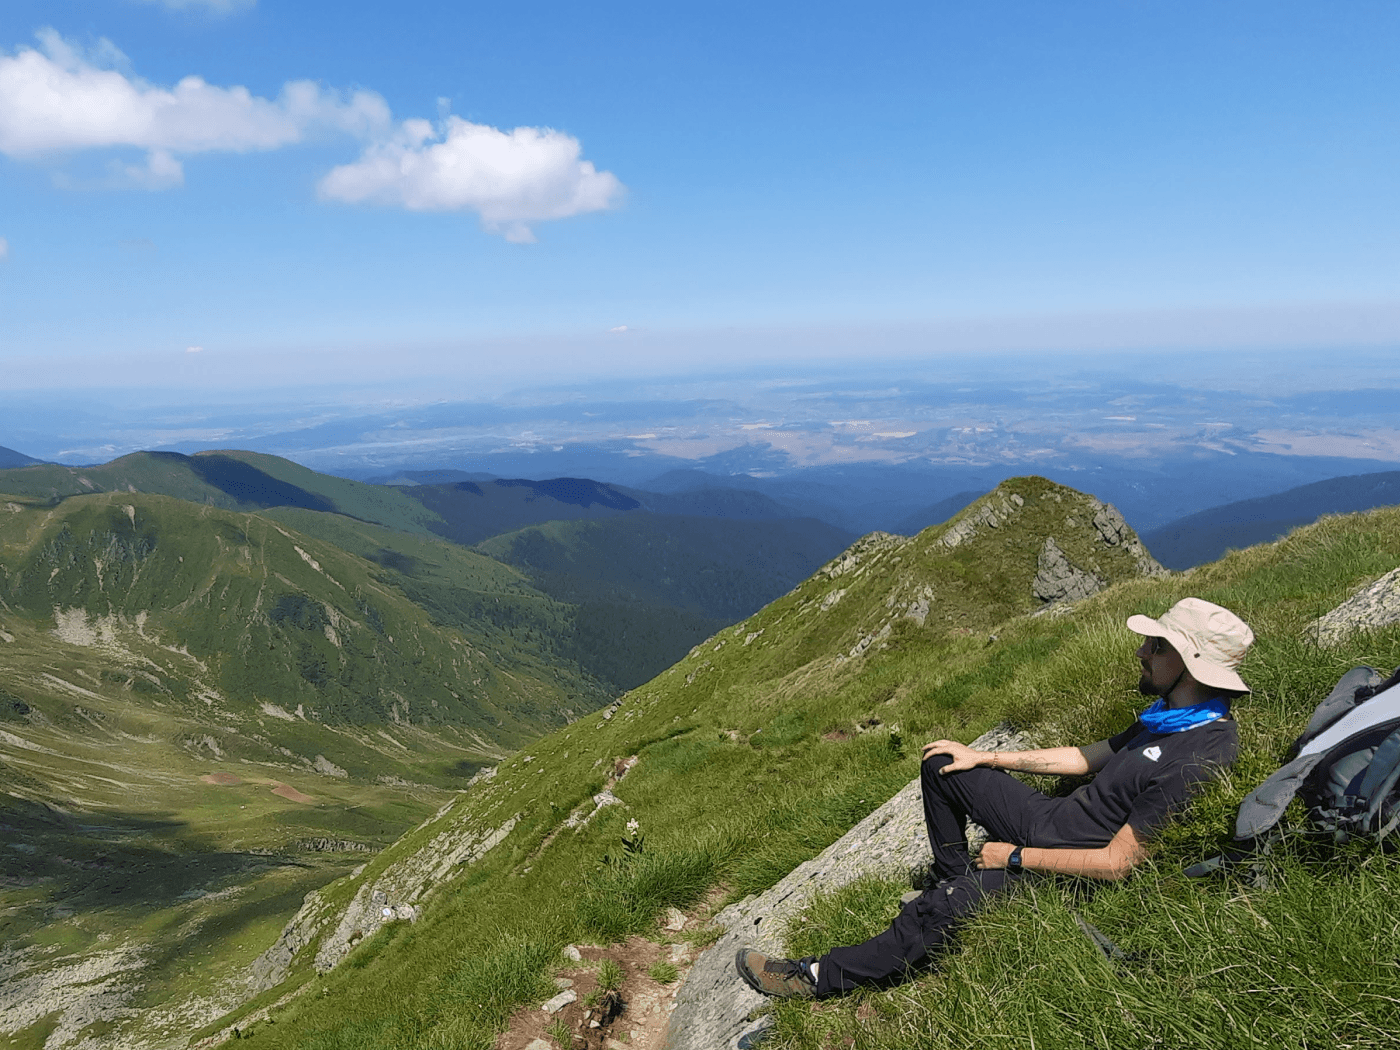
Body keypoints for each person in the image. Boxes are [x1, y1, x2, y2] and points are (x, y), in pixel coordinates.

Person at [735, 596, 1253, 999]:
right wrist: (986, 757)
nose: (1143, 652)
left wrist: (1014, 857)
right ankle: (956, 873)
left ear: (1191, 663)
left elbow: (1119, 864)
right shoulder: (1167, 719)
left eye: (1158, 647)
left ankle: (818, 976)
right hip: (1051, 819)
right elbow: (1083, 757)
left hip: (1064, 870)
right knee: (942, 764)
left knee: (945, 907)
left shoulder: (1201, 755)